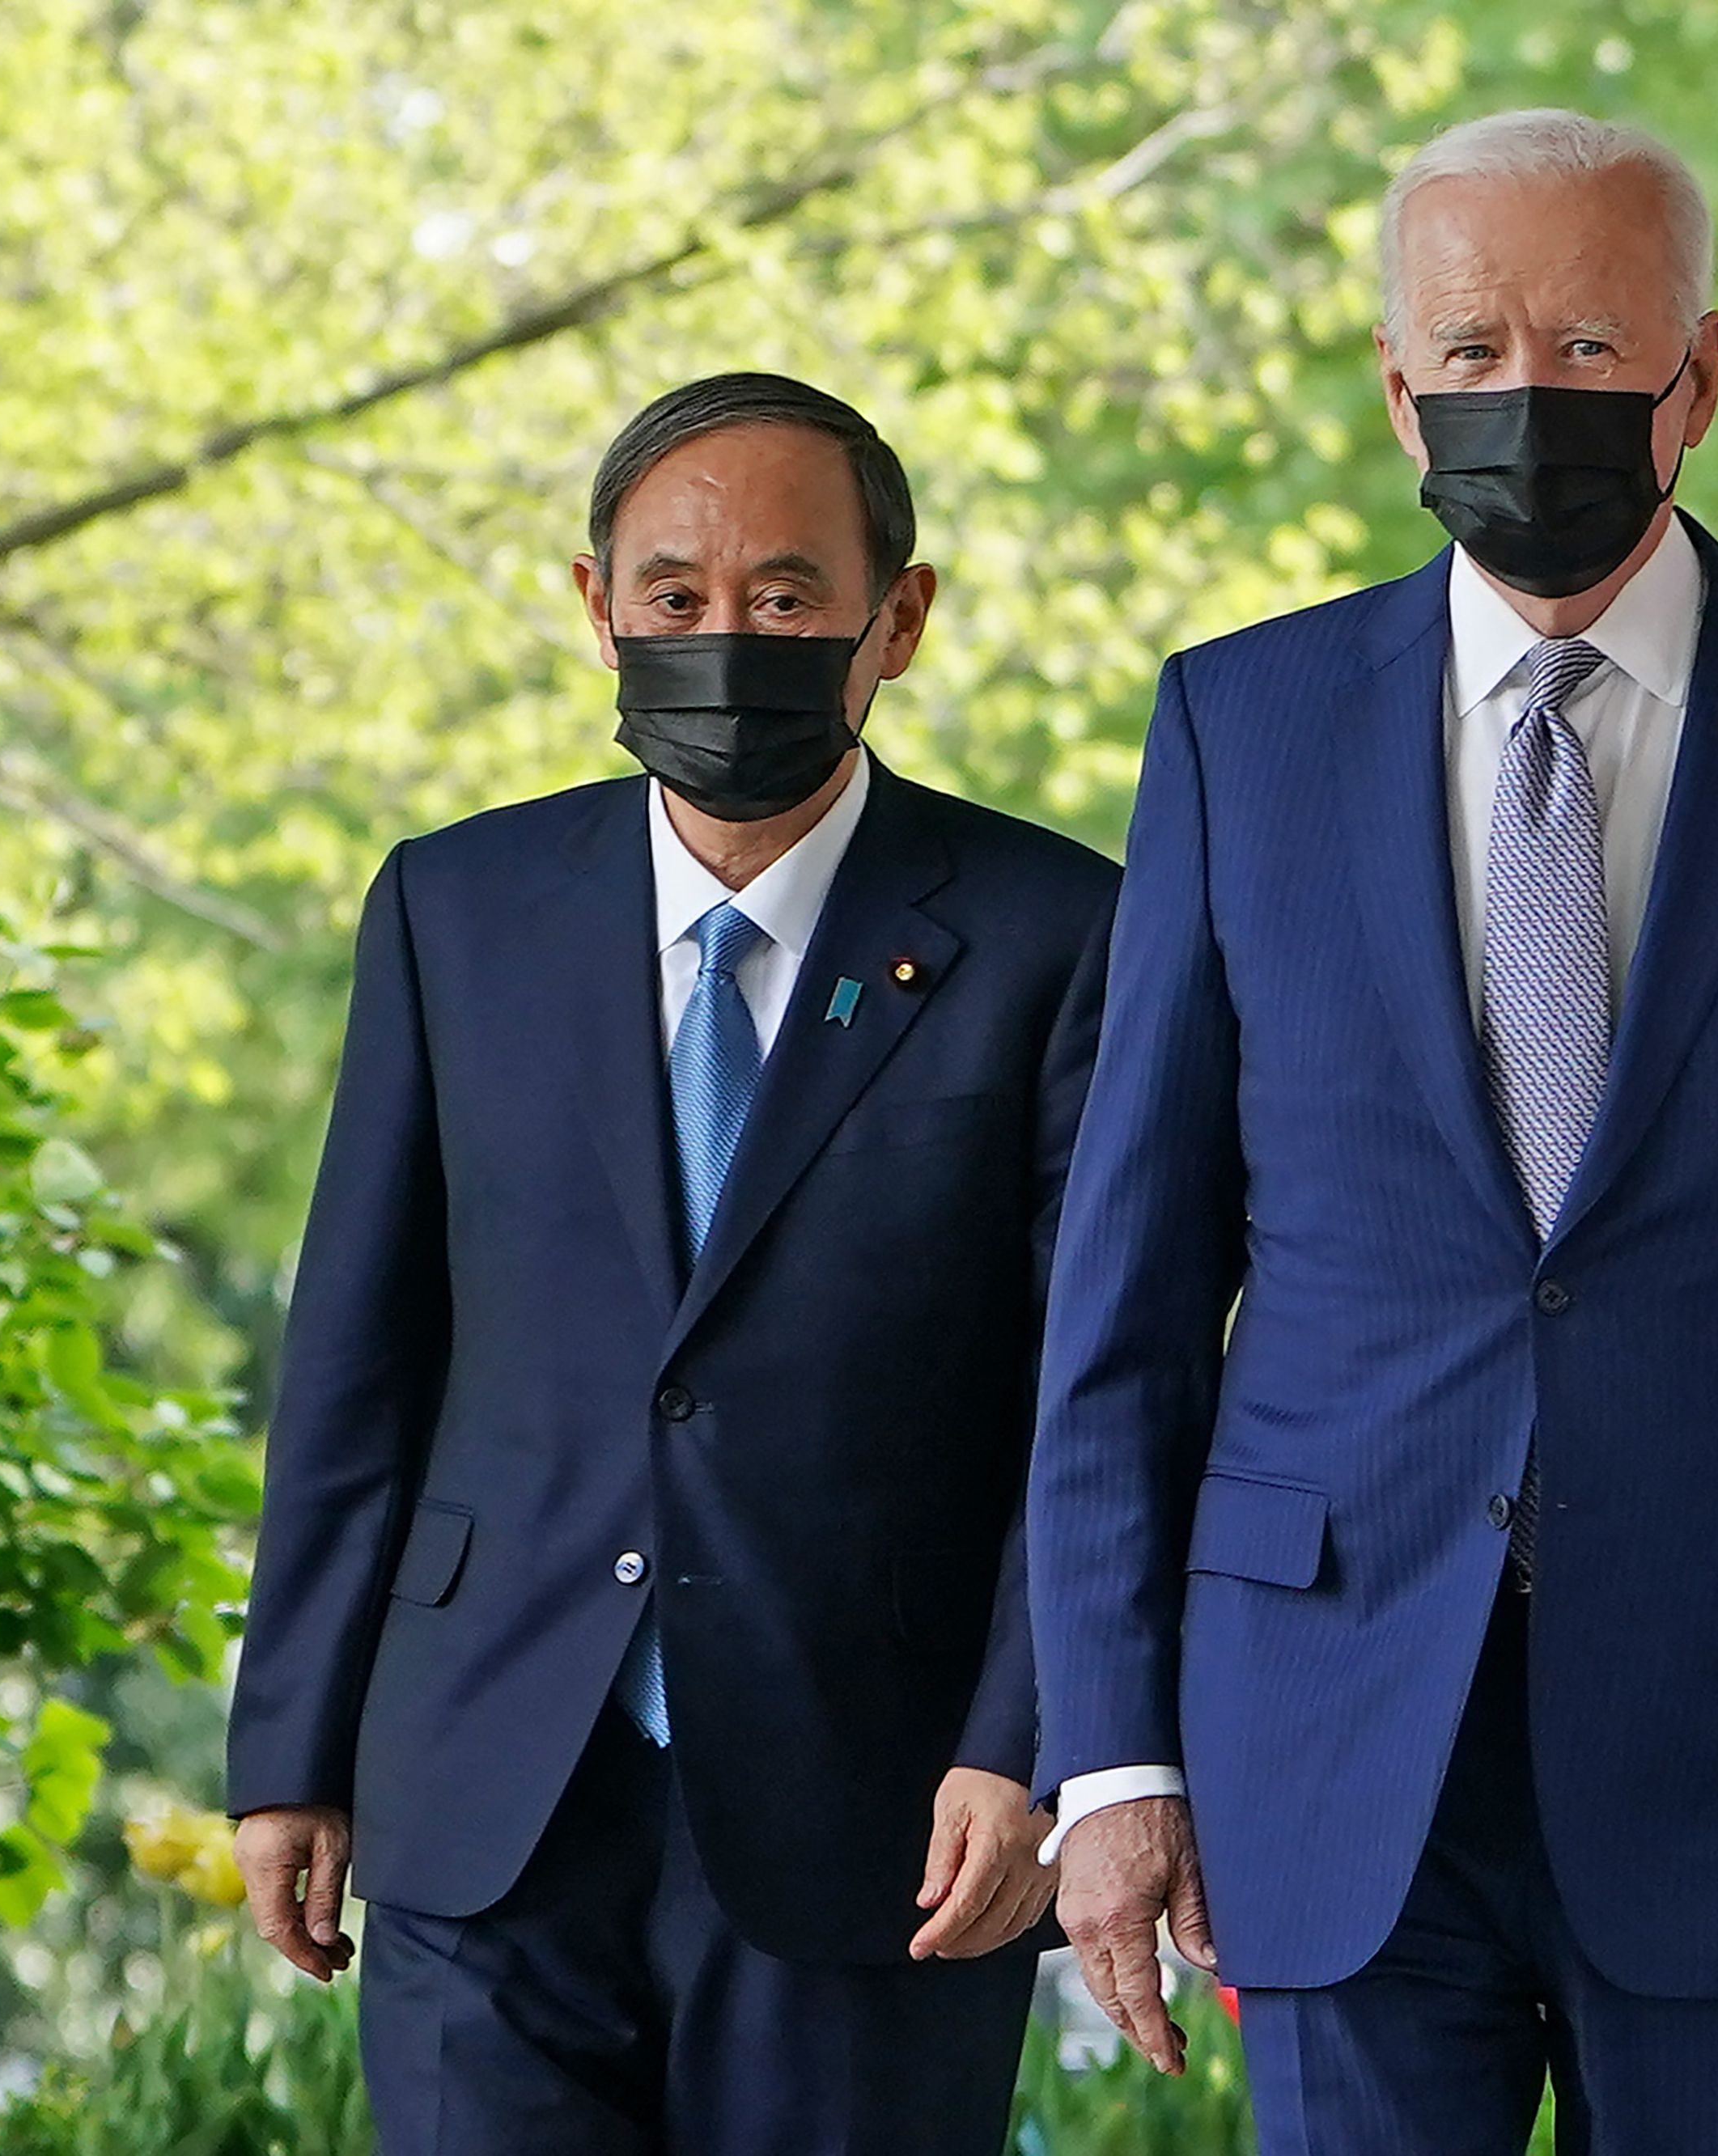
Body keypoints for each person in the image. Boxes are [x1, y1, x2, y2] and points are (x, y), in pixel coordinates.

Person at [1028, 109, 1718, 2154]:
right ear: (1396, 385)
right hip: (1325, 1735)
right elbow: (1126, 1298)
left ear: (1698, 375)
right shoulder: (1236, 728)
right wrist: (1110, 1756)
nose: (1528, 393)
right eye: (1474, 348)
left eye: (1591, 347)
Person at [226, 371, 1118, 2155]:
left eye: (785, 596)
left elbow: (1091, 1394)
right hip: (486, 1786)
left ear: (897, 619)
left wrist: (1029, 1740)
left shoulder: (1061, 932)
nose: (726, 637)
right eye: (675, 594)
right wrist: (291, 1748)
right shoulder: (454, 908)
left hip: (883, 1818)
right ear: (598, 605)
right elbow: (360, 1355)